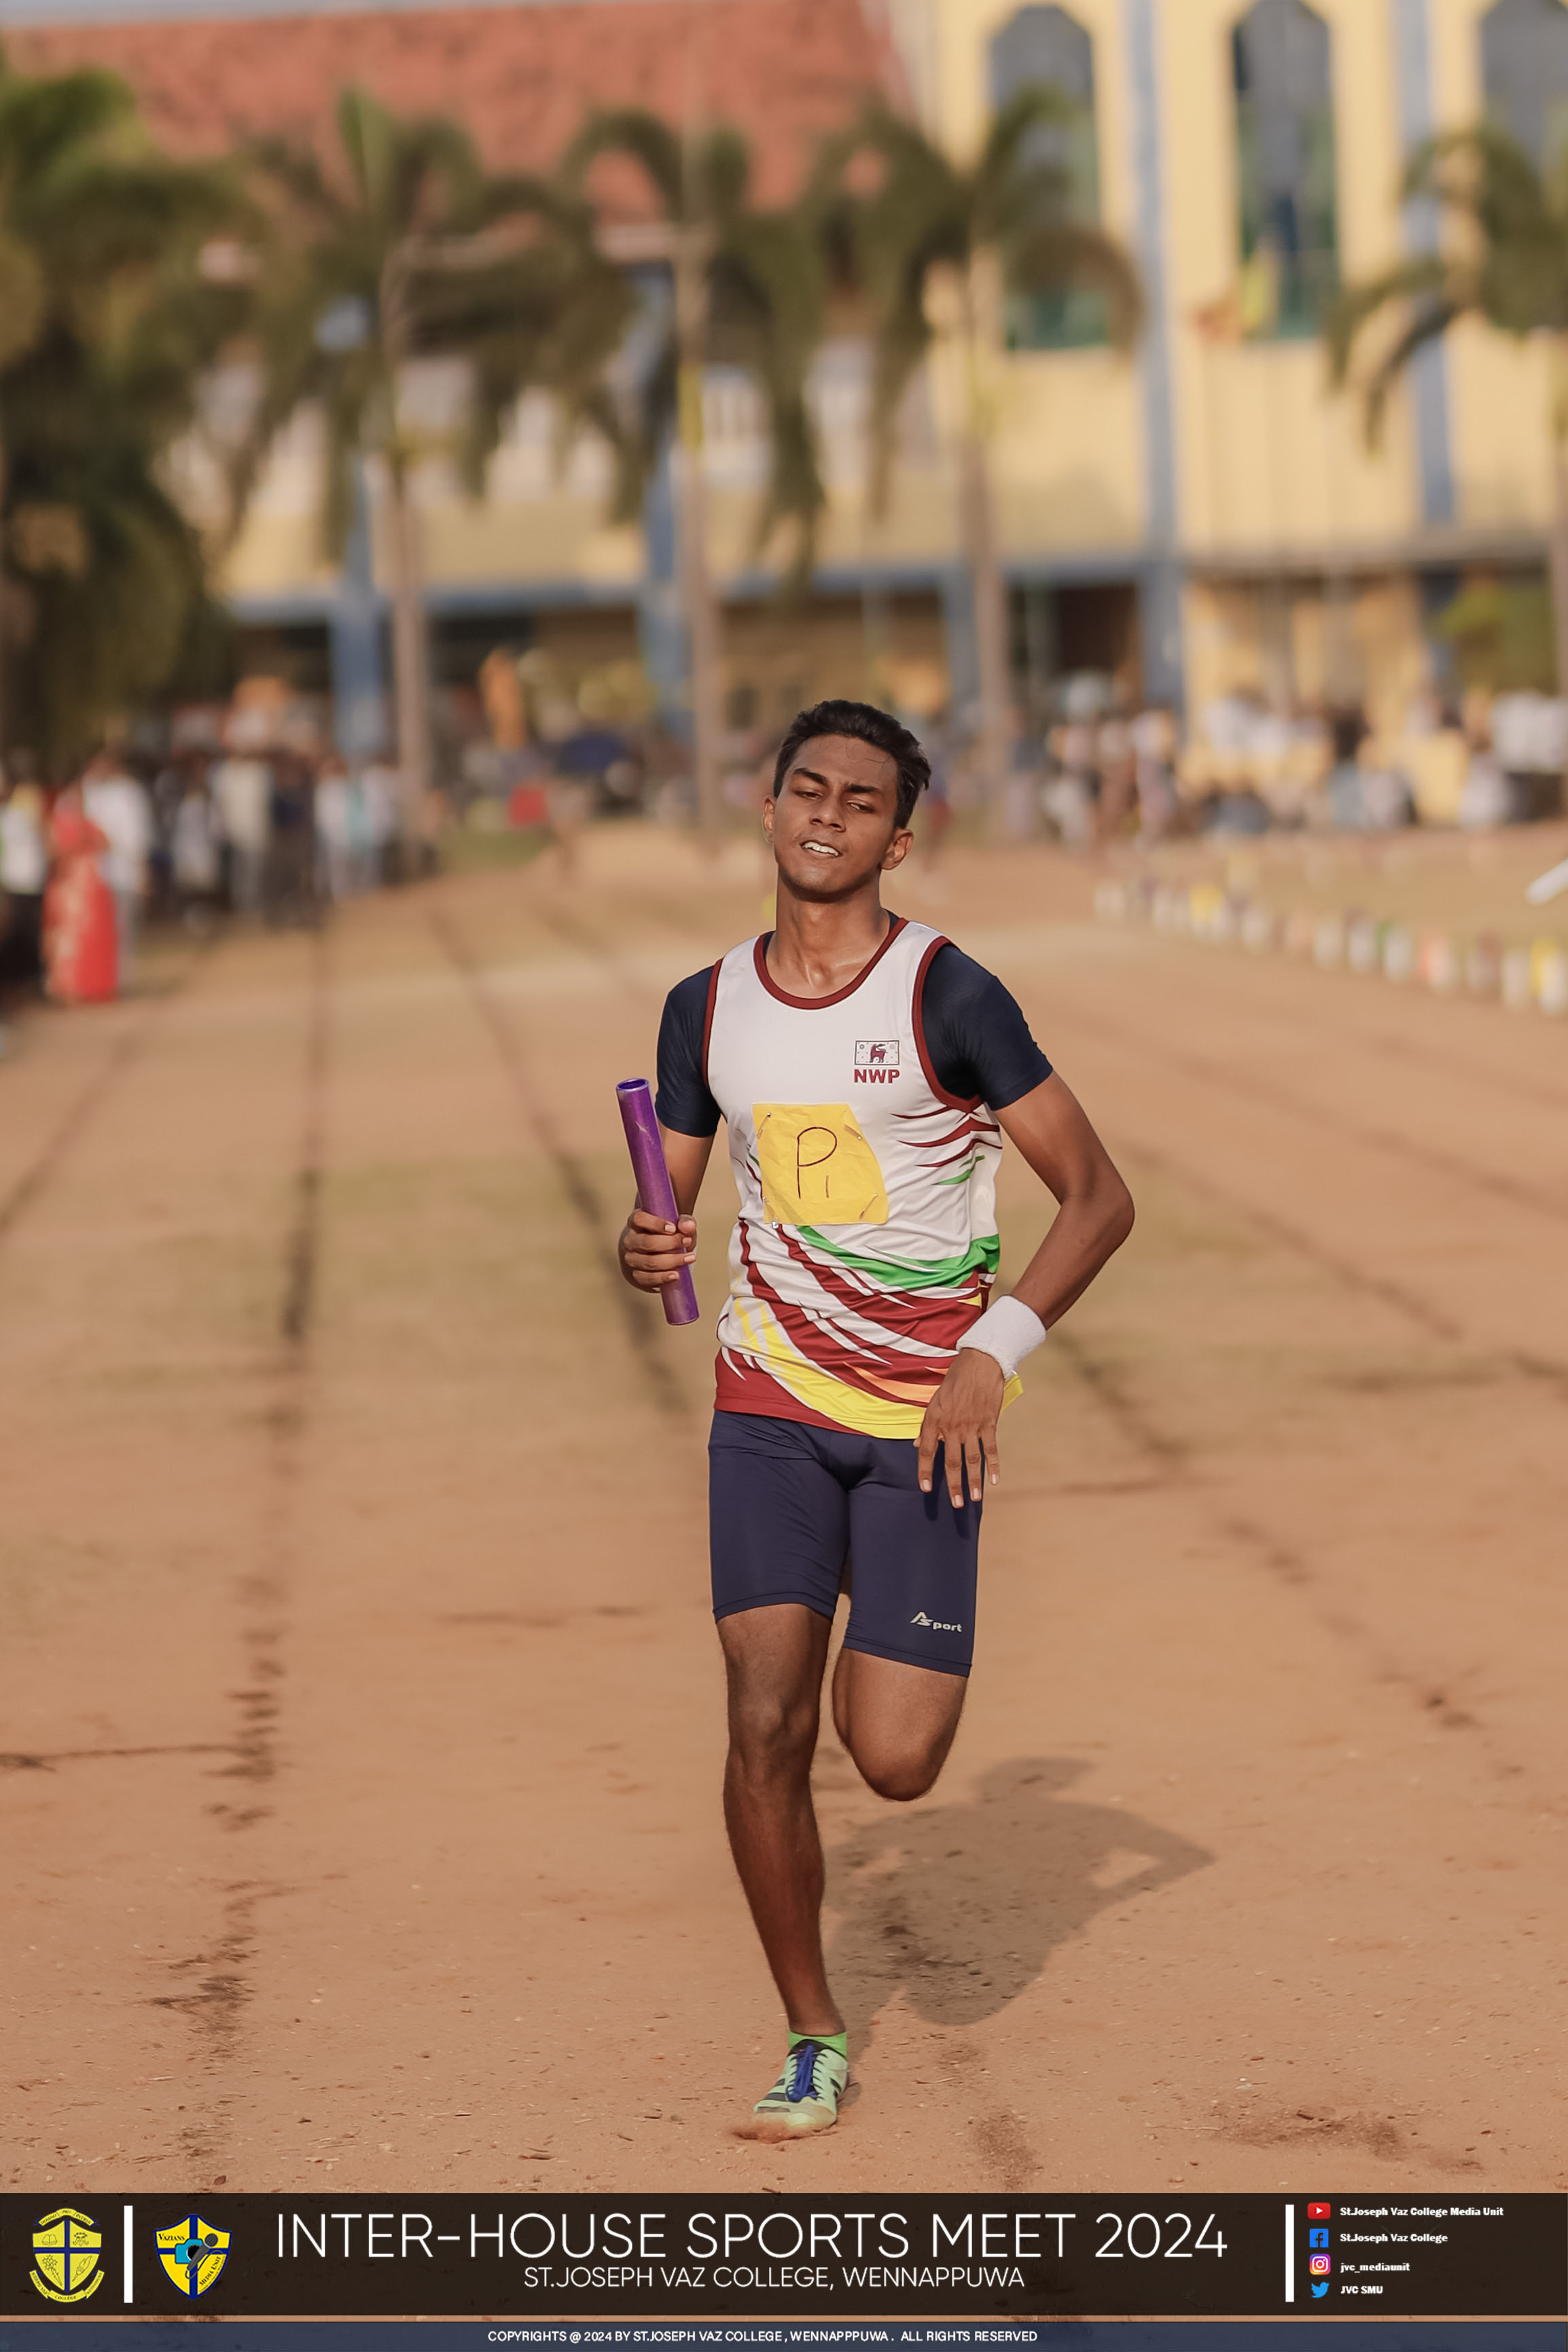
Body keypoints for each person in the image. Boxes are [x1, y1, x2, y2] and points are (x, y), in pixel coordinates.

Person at [618, 698, 1134, 2141]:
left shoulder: (948, 998)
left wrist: (996, 1349)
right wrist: (643, 1246)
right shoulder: (701, 1006)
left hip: (923, 1424)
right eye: (805, 787)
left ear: (897, 838)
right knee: (761, 1720)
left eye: (860, 799)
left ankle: (884, 1636)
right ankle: (809, 2030)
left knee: (892, 1758)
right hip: (764, 1408)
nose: (827, 813)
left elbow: (1098, 1199)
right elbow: (662, 1201)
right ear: (767, 805)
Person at [82, 750, 152, 988]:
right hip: (94, 876)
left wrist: (142, 871)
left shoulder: (128, 793)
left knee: (123, 929)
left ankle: (120, 978)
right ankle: (101, 979)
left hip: (123, 873)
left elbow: (137, 837)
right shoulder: (88, 790)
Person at [43, 788, 118, 1005]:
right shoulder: (79, 826)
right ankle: (76, 987)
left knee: (78, 942)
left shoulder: (74, 826)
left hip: (79, 891)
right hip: (79, 890)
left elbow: (105, 844)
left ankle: (83, 987)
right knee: (74, 942)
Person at [1, 773, 49, 991]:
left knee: (32, 935)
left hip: (29, 883)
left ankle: (30, 983)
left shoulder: (20, 815)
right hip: (12, 885)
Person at [211, 749, 272, 914]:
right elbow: (223, 803)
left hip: (255, 829)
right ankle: (240, 901)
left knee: (254, 868)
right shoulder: (226, 774)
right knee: (238, 870)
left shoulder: (258, 774)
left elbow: (263, 805)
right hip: (235, 830)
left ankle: (251, 900)